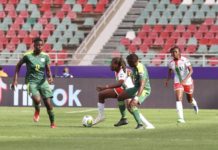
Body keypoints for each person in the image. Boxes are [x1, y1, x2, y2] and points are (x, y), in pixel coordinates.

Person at [94, 57, 153, 129]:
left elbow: (120, 83)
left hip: (128, 89)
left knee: (102, 94)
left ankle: (102, 116)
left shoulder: (122, 71)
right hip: (127, 89)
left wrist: (105, 87)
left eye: (112, 64)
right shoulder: (118, 71)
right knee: (131, 108)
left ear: (117, 65)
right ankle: (145, 124)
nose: (110, 65)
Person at [11, 37, 56, 128]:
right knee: (37, 100)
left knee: (48, 104)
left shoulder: (45, 56)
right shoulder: (27, 56)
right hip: (31, 82)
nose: (39, 47)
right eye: (37, 45)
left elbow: (47, 69)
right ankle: (37, 110)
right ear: (34, 45)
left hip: (43, 82)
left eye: (41, 45)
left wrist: (50, 77)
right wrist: (15, 80)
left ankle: (52, 123)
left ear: (42, 46)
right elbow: (18, 66)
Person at [117, 54, 155, 129]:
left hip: (144, 89)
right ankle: (124, 118)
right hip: (136, 88)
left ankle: (140, 125)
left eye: (129, 62)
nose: (129, 64)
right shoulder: (134, 66)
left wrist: (137, 97)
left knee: (132, 105)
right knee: (120, 97)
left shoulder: (141, 68)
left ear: (134, 62)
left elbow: (142, 84)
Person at [165, 46, 199, 123]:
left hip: (187, 81)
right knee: (178, 98)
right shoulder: (170, 63)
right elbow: (170, 71)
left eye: (175, 52)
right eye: (172, 52)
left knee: (189, 99)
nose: (174, 53)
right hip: (177, 81)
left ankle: (194, 104)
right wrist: (167, 79)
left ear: (179, 53)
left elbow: (191, 71)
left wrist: (185, 80)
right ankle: (181, 118)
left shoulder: (185, 60)